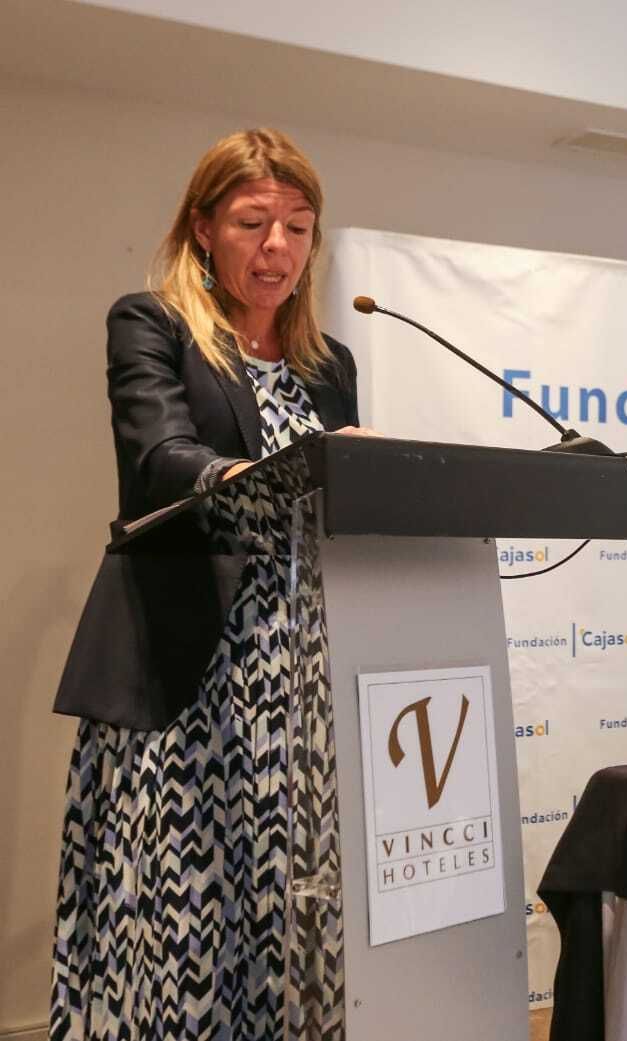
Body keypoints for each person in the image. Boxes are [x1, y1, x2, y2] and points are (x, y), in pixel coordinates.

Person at [51, 128, 374, 1040]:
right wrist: (264, 472)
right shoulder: (150, 324)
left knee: (280, 910)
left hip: (299, 677)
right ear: (203, 227)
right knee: (177, 916)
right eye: (253, 223)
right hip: (189, 670)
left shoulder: (328, 365)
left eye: (299, 228)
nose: (278, 248)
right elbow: (160, 458)